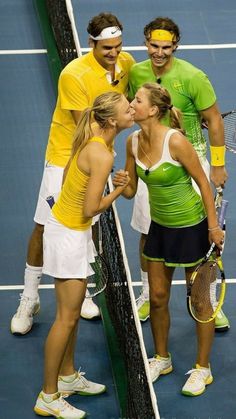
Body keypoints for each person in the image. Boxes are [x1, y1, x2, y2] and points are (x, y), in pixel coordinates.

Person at [10, 12, 135, 334]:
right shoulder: (73, 75)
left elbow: (126, 106)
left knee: (89, 223)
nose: (114, 53)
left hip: (96, 154)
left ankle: (83, 289)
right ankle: (29, 296)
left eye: (118, 46)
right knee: (44, 224)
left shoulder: (126, 64)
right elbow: (91, 126)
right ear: (91, 43)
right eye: (107, 47)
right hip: (66, 155)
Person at [113, 83, 225, 396]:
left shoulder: (176, 142)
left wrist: (213, 228)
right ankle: (162, 358)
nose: (131, 103)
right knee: (158, 297)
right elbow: (133, 190)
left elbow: (204, 184)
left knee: (200, 301)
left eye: (136, 100)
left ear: (153, 110)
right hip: (159, 226)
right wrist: (122, 183)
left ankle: (203, 368)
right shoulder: (132, 142)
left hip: (192, 227)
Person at [34, 91, 134, 418]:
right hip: (68, 235)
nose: (131, 109)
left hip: (69, 229)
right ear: (111, 121)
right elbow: (93, 207)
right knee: (65, 318)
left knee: (73, 315)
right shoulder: (102, 154)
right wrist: (120, 188)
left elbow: (68, 181)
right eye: (125, 108)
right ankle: (48, 396)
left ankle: (66, 377)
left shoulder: (96, 139)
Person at [128, 16, 229, 331]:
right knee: (148, 230)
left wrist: (217, 164)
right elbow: (135, 111)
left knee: (206, 237)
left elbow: (213, 119)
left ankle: (207, 296)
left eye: (166, 48)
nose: (159, 53)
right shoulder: (136, 74)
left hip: (190, 156)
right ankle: (148, 292)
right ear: (146, 43)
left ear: (176, 47)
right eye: (154, 46)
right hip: (152, 156)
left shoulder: (193, 77)